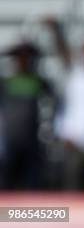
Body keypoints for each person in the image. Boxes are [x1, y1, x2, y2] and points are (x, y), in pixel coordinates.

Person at [45, 18, 84, 190]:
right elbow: (62, 51)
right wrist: (55, 30)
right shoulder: (76, 72)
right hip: (74, 143)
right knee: (71, 190)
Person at [0, 41, 52, 189]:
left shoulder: (39, 82)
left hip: (32, 142)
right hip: (10, 141)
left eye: (26, 58)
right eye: (20, 58)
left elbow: (52, 103)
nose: (23, 62)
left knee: (32, 187)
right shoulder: (6, 82)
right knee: (7, 187)